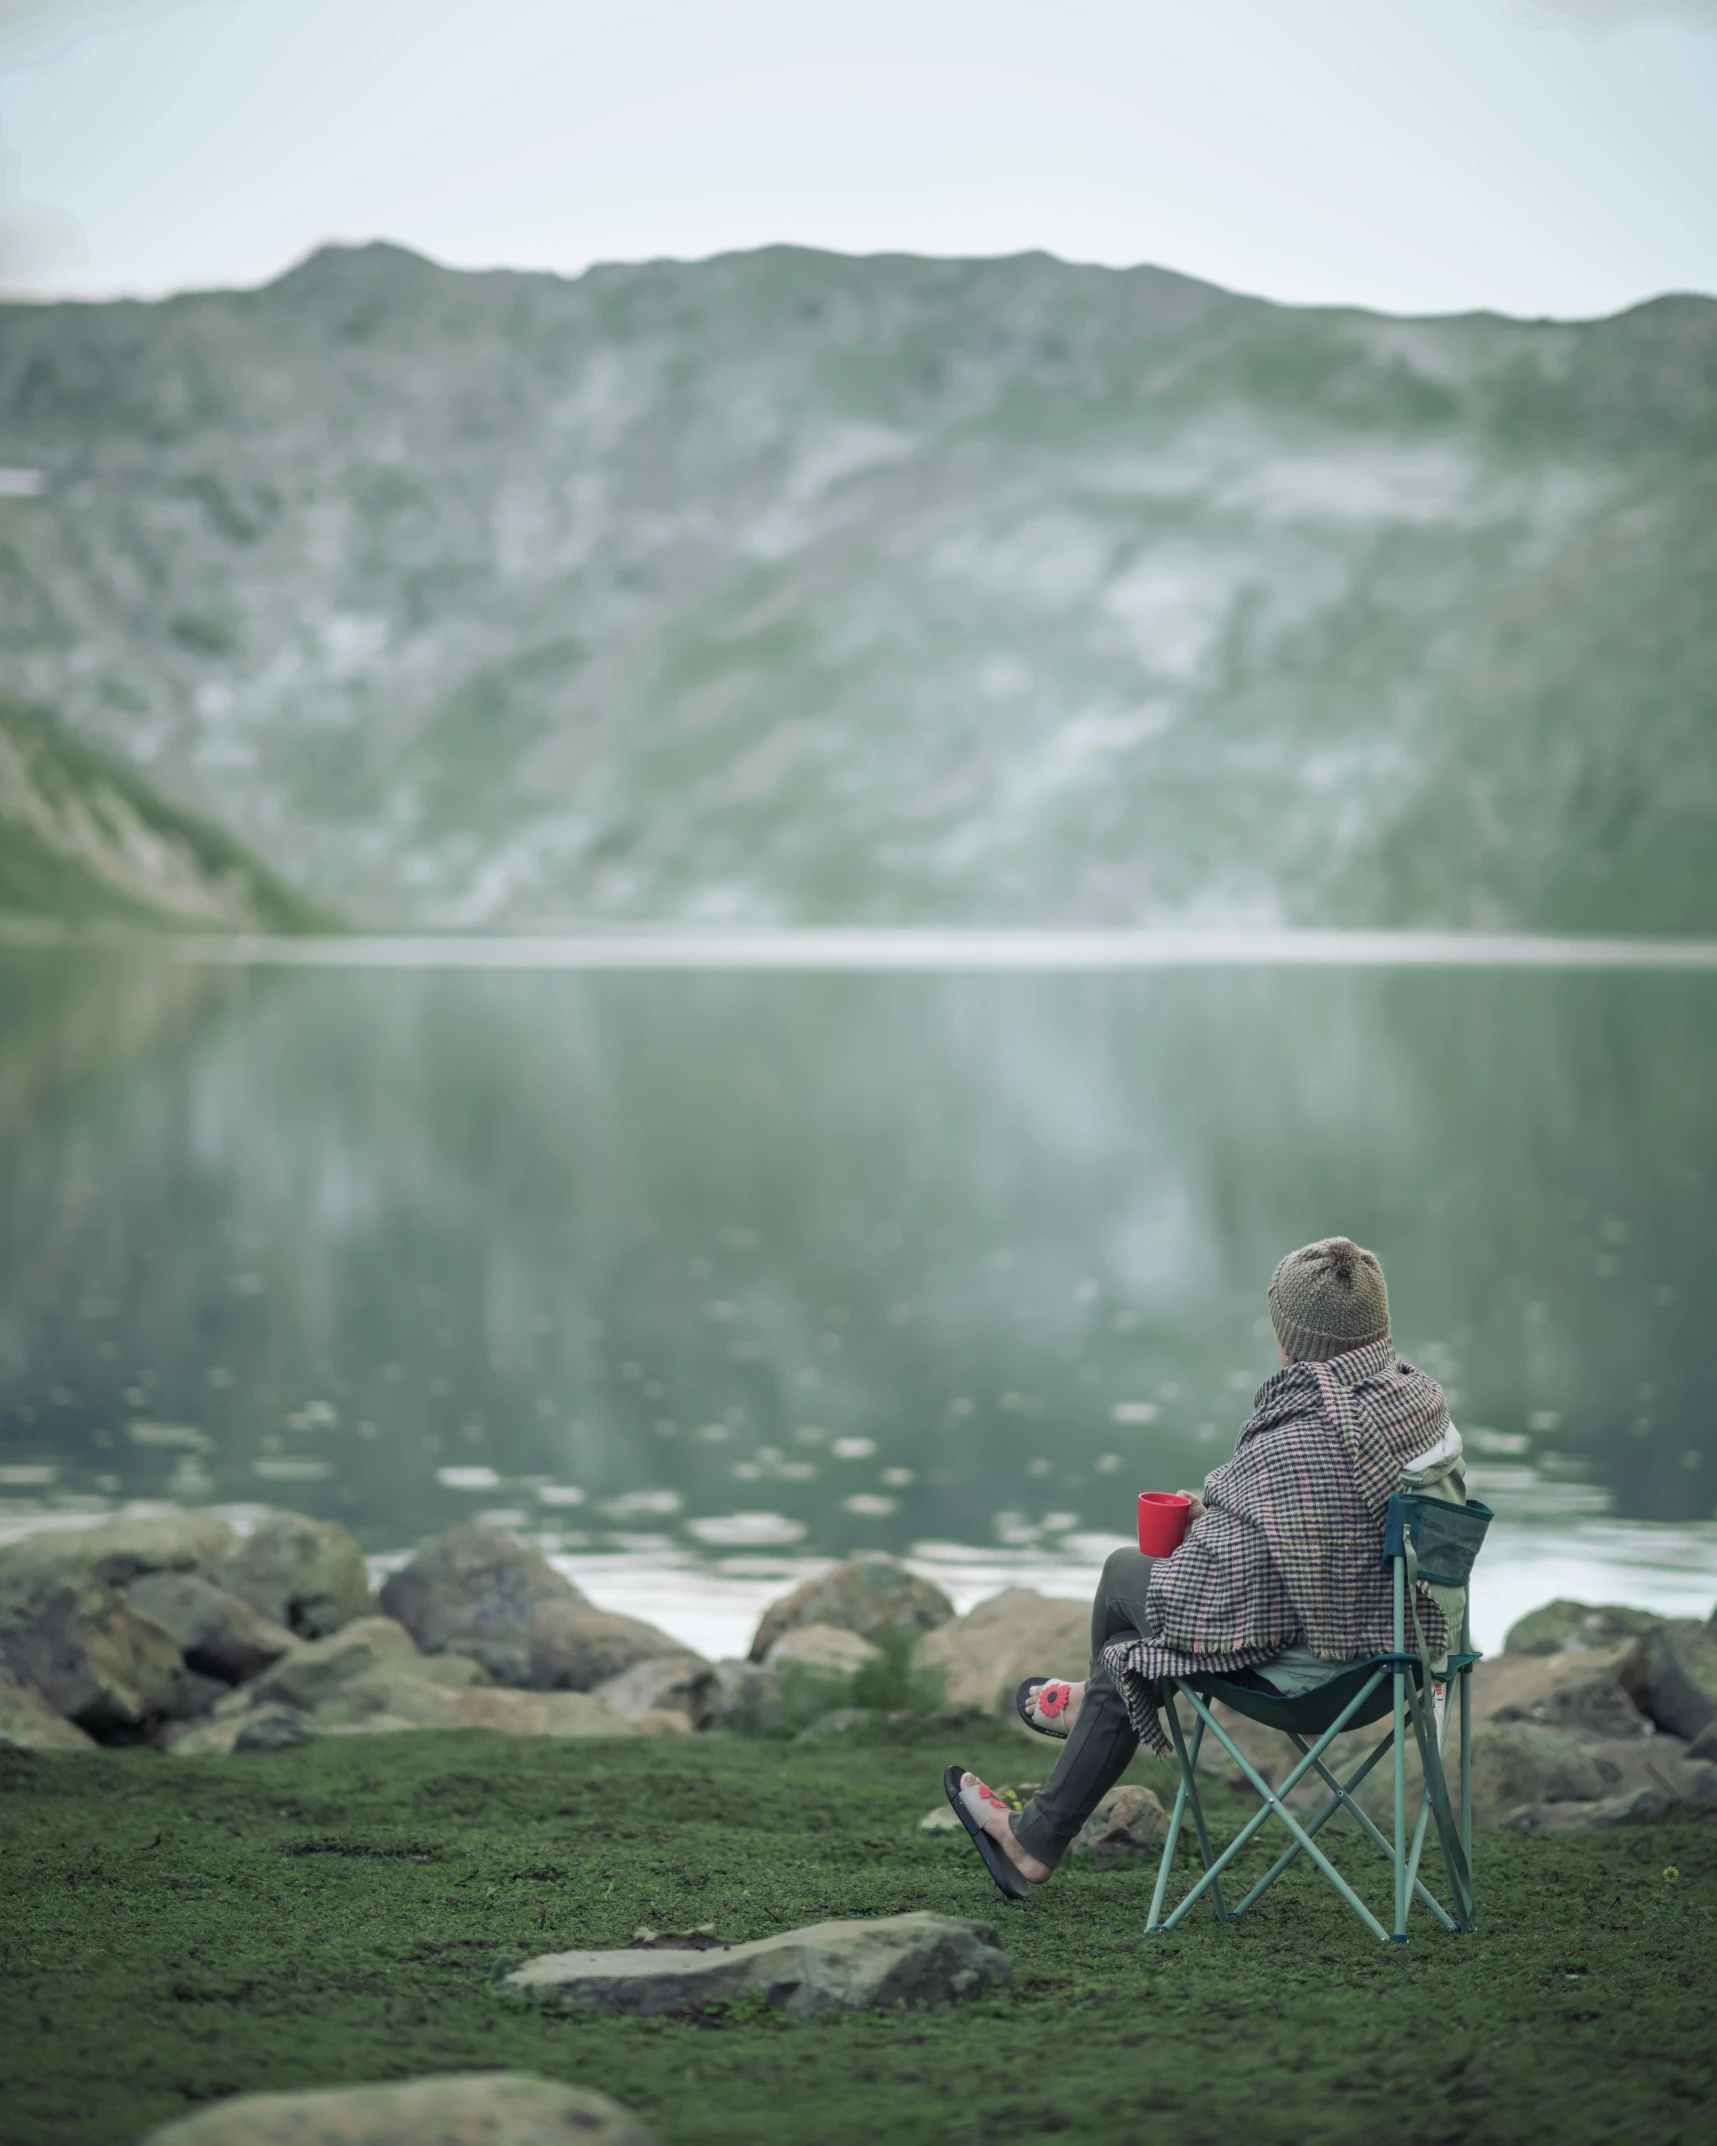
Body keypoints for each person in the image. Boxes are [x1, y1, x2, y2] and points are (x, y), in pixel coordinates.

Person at [944, 1235, 1456, 1897]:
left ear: (1288, 1338)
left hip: (1317, 1676)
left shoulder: (1302, 1433)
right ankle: (1046, 1813)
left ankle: (1080, 1738)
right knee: (1130, 1648)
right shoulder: (1422, 1407)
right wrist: (1231, 1521)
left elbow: (1205, 1597)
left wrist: (1199, 1531)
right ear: (1375, 1328)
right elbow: (1332, 1544)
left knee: (1125, 1578)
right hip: (1404, 1661)